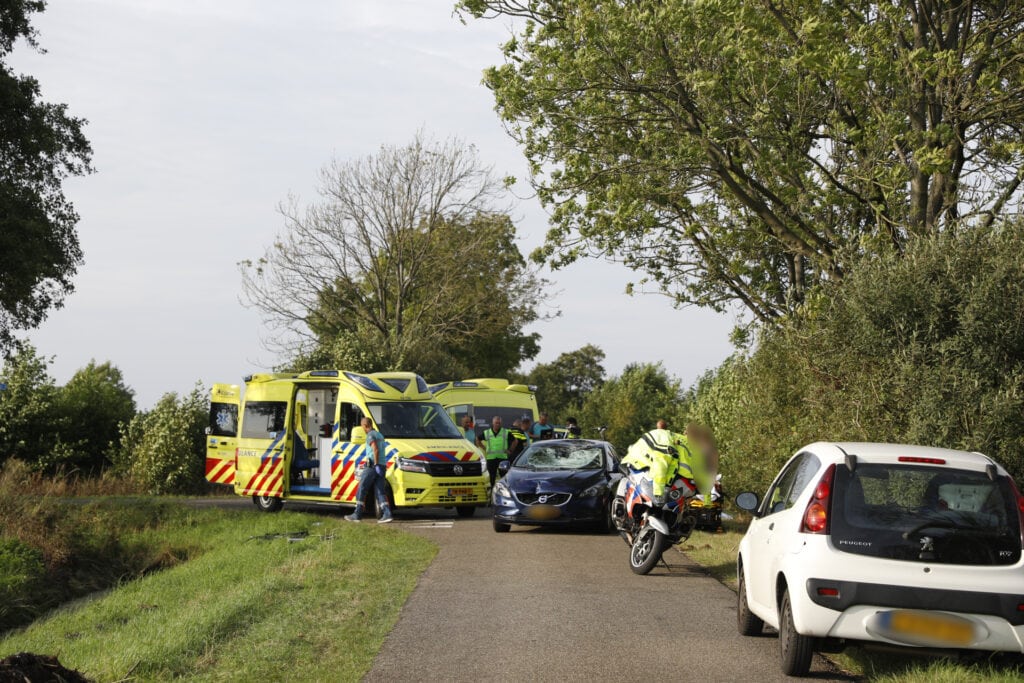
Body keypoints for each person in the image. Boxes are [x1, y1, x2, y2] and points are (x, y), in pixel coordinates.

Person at [621, 425, 712, 503]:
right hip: (663, 481)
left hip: (656, 476)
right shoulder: (698, 452)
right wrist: (707, 502)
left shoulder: (675, 438)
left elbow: (662, 465)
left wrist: (658, 494)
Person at [345, 417, 393, 523]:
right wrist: (379, 465)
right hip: (382, 466)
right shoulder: (379, 435)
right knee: (380, 491)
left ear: (365, 426)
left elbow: (375, 449)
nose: (362, 429)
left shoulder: (370, 435)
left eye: (362, 426)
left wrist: (375, 464)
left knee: (362, 488)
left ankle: (357, 514)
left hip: (372, 466)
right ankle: (387, 513)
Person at [478, 415, 515, 486]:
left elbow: (515, 441)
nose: (497, 424)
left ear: (501, 423)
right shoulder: (487, 432)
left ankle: (504, 491)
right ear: (493, 423)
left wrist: (510, 450)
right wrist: (484, 448)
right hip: (491, 458)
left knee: (504, 477)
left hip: (502, 458)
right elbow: (478, 439)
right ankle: (492, 491)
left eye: (499, 423)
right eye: (496, 423)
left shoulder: (505, 432)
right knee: (491, 477)